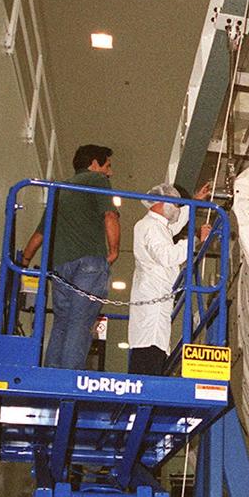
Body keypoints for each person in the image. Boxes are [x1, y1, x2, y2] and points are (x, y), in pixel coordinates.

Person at [21, 145, 119, 369]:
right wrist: (113, 252)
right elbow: (110, 215)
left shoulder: (59, 190)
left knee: (62, 322)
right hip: (89, 263)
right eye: (108, 166)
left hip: (60, 268)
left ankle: (51, 373)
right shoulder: (97, 181)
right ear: (94, 164)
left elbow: (40, 234)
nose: (110, 172)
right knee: (81, 321)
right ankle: (69, 376)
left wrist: (23, 263)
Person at [127, 182, 210, 376]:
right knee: (150, 351)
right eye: (175, 204)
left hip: (155, 297)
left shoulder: (156, 226)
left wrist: (194, 202)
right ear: (162, 202)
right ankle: (143, 398)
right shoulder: (150, 227)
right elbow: (168, 256)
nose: (177, 209)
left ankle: (143, 398)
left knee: (153, 347)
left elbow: (175, 225)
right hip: (153, 299)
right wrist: (196, 237)